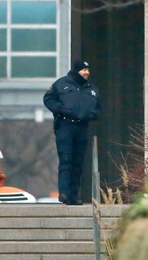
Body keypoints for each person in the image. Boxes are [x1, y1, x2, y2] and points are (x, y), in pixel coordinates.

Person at [43, 60, 101, 205]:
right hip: (65, 127)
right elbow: (48, 99)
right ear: (76, 71)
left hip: (82, 128)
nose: (87, 72)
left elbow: (98, 109)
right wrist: (62, 110)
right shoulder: (61, 84)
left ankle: (74, 196)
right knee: (66, 160)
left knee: (77, 163)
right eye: (83, 70)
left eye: (88, 70)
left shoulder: (92, 89)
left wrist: (89, 115)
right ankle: (64, 193)